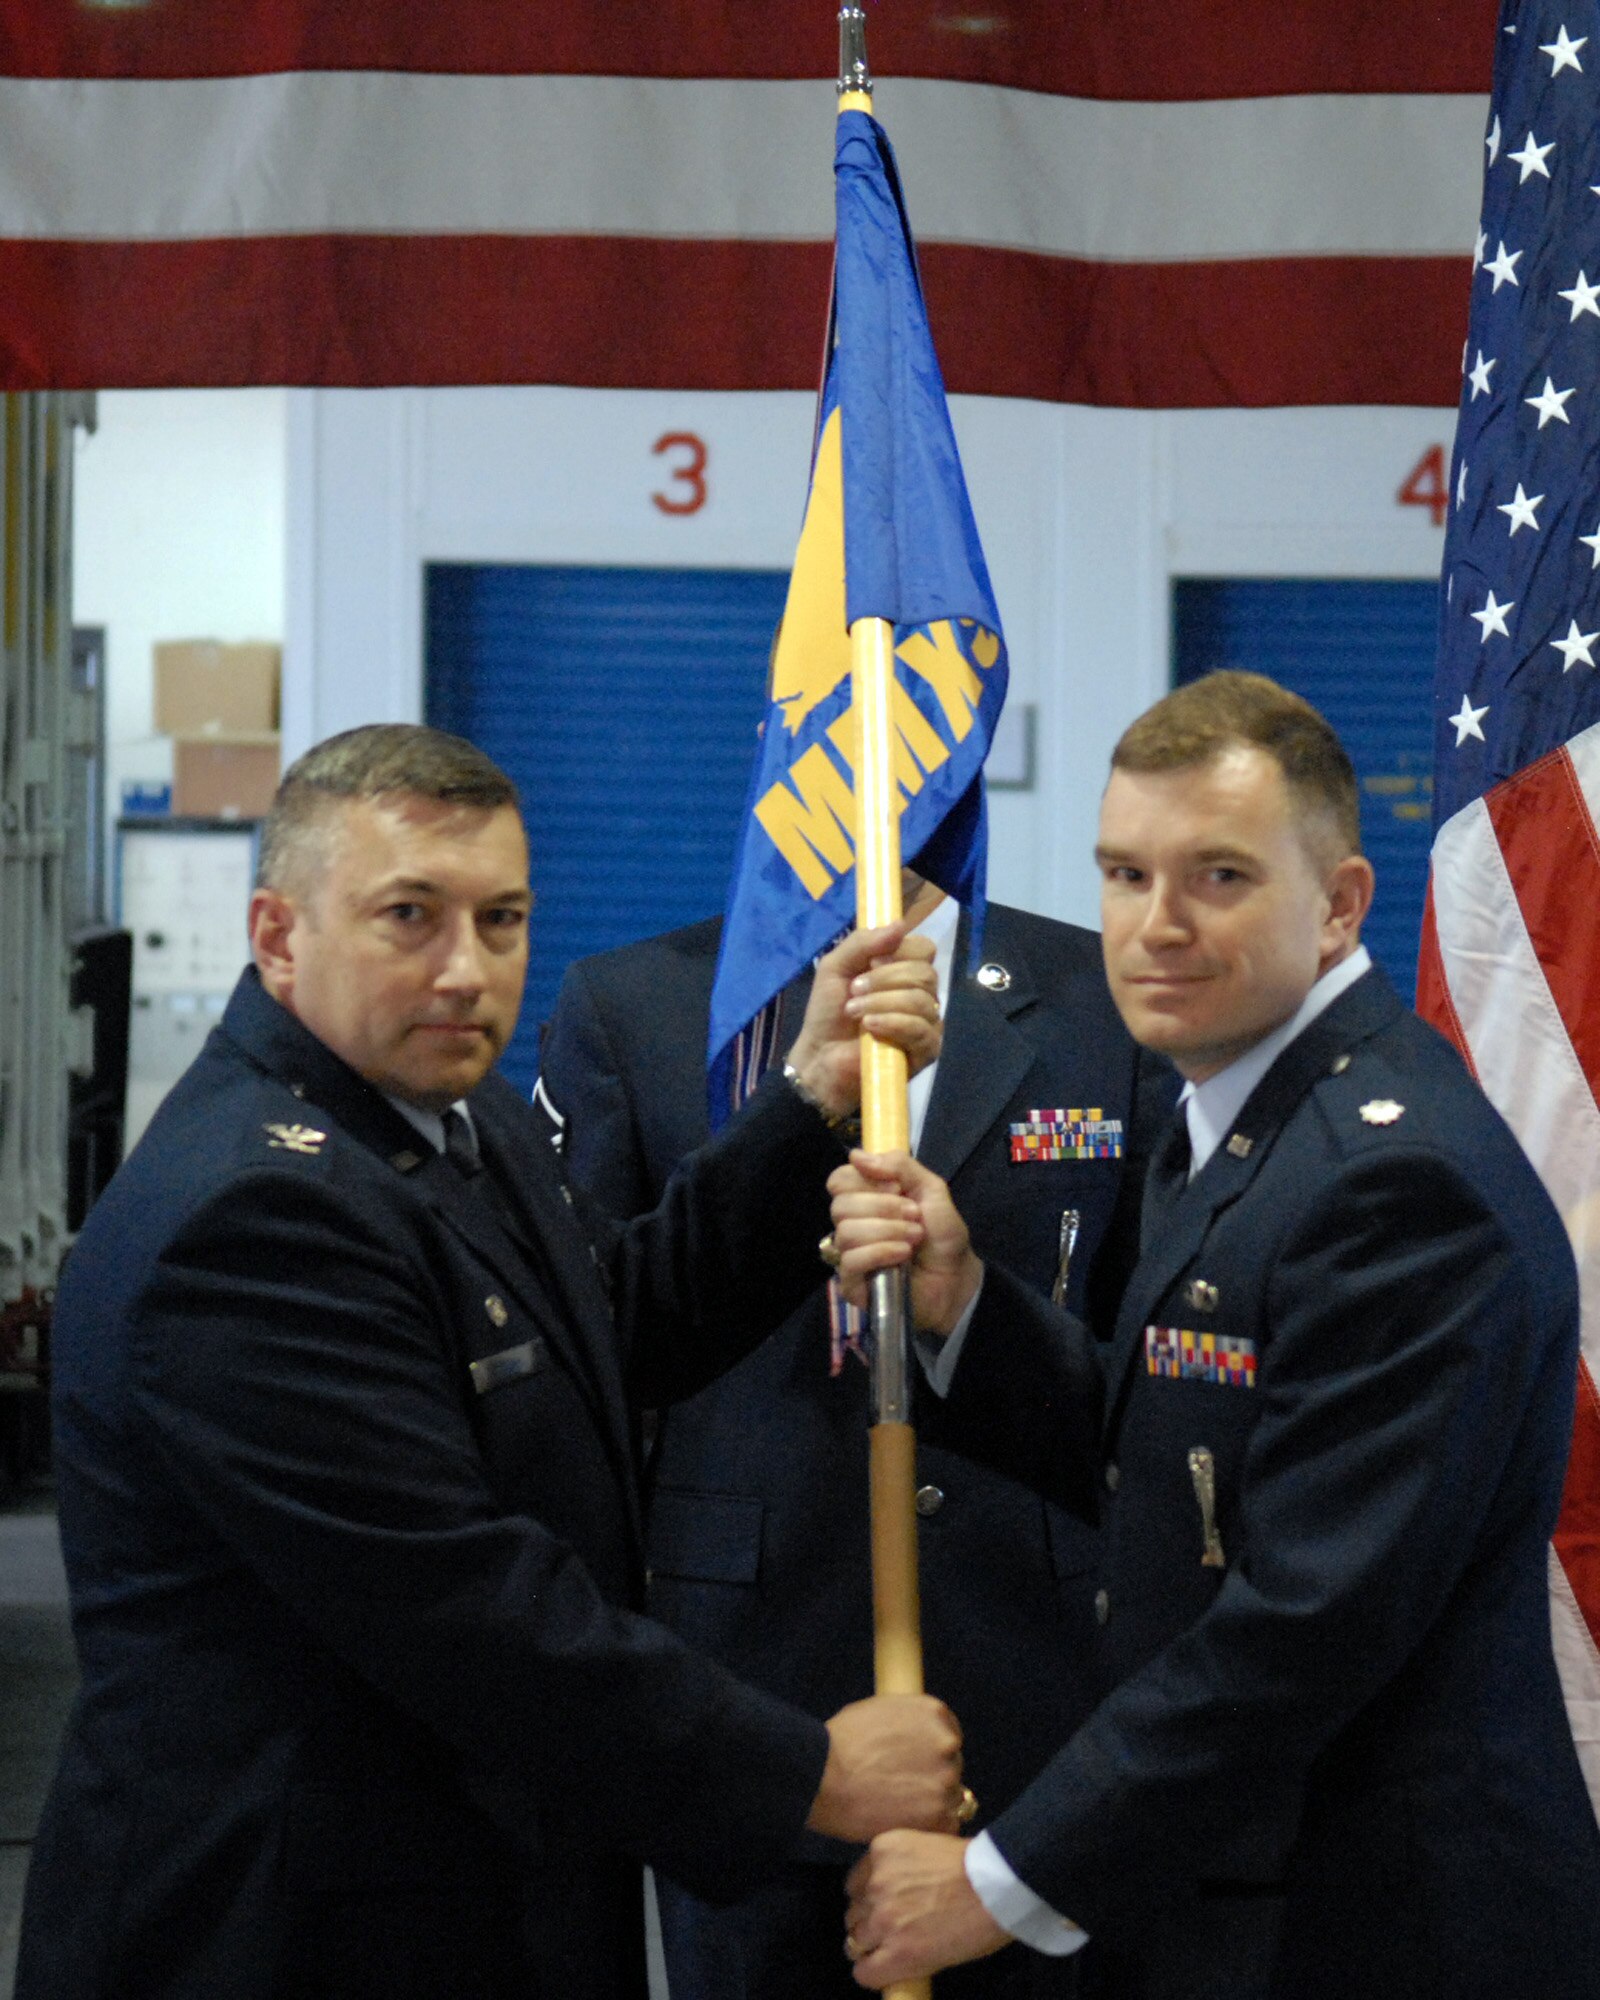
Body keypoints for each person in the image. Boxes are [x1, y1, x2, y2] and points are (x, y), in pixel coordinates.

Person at [16, 724, 967, 2000]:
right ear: (278, 933)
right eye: (410, 915)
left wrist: (809, 1101)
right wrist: (807, 1772)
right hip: (294, 1932)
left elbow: (600, 1328)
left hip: (462, 1890)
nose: (467, 969)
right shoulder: (253, 1214)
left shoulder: (446, 1114)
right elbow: (460, 1602)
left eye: (502, 918)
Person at [830, 673, 1600, 2000]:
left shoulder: (1389, 1181)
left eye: (1220, 877)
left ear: (1343, 902)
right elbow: (1180, 1465)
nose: (1153, 928)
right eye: (1124, 875)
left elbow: (1302, 1625)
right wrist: (967, 1306)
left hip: (1383, 1924)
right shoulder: (1238, 1112)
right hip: (1248, 1891)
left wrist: (1001, 1883)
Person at [539, 878, 1172, 1999]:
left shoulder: (1101, 999)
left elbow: (1150, 1381)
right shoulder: (630, 1004)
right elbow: (592, 1355)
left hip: (1040, 1690)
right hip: (753, 1682)